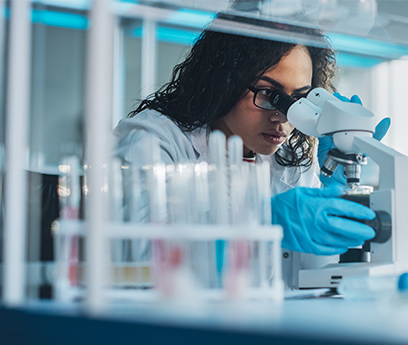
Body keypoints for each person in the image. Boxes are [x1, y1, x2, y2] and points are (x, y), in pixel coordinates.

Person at [112, 16, 389, 288]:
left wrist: (336, 194)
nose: (283, 117)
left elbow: (313, 276)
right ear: (223, 81)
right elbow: (141, 260)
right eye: (269, 94)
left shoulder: (290, 163)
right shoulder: (154, 139)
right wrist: (264, 221)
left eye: (299, 99)